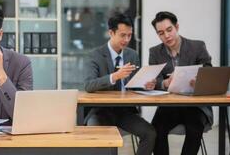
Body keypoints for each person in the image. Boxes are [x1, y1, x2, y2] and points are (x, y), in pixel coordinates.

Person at [84, 12, 156, 155]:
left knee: (150, 133)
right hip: (100, 111)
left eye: (129, 35)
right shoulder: (95, 55)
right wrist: (115, 76)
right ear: (111, 32)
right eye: (123, 35)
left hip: (124, 111)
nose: (127, 39)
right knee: (98, 140)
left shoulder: (132, 55)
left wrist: (145, 85)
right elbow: (89, 85)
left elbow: (135, 85)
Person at [148, 11, 213, 155]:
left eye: (169, 30)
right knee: (156, 130)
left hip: (194, 105)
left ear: (176, 27)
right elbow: (154, 80)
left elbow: (209, 71)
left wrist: (199, 81)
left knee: (194, 129)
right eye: (161, 33)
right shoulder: (155, 52)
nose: (166, 35)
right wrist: (164, 83)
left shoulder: (197, 46)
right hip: (170, 105)